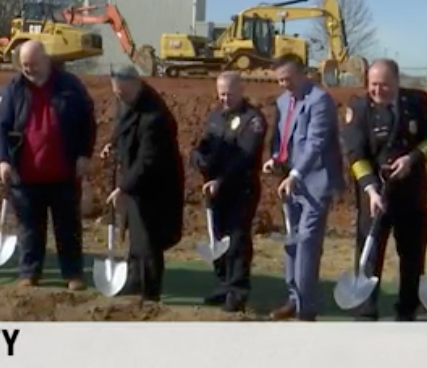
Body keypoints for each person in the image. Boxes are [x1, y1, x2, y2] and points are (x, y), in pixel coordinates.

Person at [342, 58, 427, 321]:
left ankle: (407, 310)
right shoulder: (359, 107)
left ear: (397, 82)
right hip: (374, 197)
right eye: (373, 85)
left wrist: (412, 159)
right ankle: (365, 312)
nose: (378, 91)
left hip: (411, 196)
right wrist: (370, 189)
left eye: (385, 85)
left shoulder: (417, 102)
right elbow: (355, 154)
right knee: (369, 255)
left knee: (412, 257)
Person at [0, 40, 96, 290]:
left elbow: (87, 122)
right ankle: (29, 272)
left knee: (68, 228)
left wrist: (84, 154)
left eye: (34, 64)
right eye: (25, 65)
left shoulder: (70, 86)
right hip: (25, 176)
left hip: (64, 173)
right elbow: (0, 126)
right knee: (29, 229)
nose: (29, 69)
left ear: (46, 60)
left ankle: (72, 274)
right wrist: (4, 160)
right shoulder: (14, 88)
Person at [261, 54, 345, 321]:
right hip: (290, 182)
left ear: (302, 74)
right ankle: (294, 298)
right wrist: (275, 160)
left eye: (288, 78)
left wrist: (296, 174)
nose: (284, 84)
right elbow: (282, 138)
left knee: (307, 240)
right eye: (280, 80)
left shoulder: (320, 100)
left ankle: (307, 308)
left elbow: (315, 143)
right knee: (292, 239)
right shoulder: (284, 101)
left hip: (316, 181)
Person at [101, 65, 185, 302]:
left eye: (123, 93)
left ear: (136, 85)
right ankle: (134, 281)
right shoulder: (128, 100)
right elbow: (123, 127)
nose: (119, 97)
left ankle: (150, 292)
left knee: (148, 239)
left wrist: (123, 187)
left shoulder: (154, 115)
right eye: (116, 93)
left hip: (156, 184)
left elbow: (148, 159)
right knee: (136, 237)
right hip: (137, 180)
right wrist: (113, 143)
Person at [189, 71, 266, 312]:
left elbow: (244, 157)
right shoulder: (217, 116)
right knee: (218, 237)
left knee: (237, 240)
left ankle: (237, 291)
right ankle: (223, 285)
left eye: (229, 94)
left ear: (241, 90)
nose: (225, 98)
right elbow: (206, 143)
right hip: (215, 189)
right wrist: (197, 158)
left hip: (239, 188)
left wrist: (221, 180)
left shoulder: (253, 119)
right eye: (221, 93)